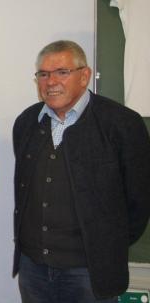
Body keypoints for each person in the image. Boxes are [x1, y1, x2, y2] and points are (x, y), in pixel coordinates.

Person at [12, 40, 150, 303]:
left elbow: (139, 204)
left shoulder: (123, 124)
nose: (51, 81)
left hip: (89, 273)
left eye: (62, 72)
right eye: (43, 74)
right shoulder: (27, 123)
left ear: (84, 76)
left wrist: (105, 244)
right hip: (34, 270)